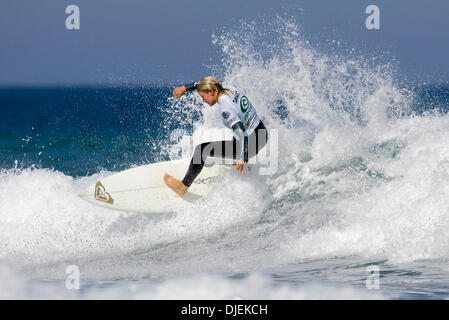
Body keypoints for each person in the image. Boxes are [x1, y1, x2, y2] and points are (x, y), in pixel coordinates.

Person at [163, 76, 268, 196]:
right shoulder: (228, 88)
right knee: (234, 137)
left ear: (211, 92)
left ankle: (183, 186)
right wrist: (185, 88)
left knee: (201, 150)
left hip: (251, 141)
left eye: (203, 97)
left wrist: (241, 158)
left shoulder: (225, 109)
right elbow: (203, 84)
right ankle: (247, 165)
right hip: (261, 131)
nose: (203, 100)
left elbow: (241, 132)